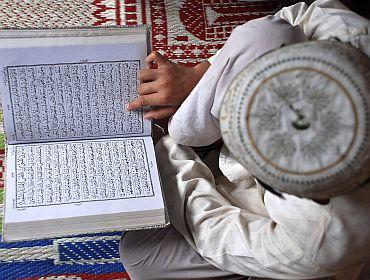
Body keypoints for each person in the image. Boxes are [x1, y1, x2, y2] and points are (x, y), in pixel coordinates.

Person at [120, 0, 370, 279]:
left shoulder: (318, 239)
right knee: (265, 36)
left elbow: (215, 232)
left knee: (142, 255)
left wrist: (166, 147)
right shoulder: (355, 38)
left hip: (277, 219)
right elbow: (290, 19)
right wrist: (197, 76)